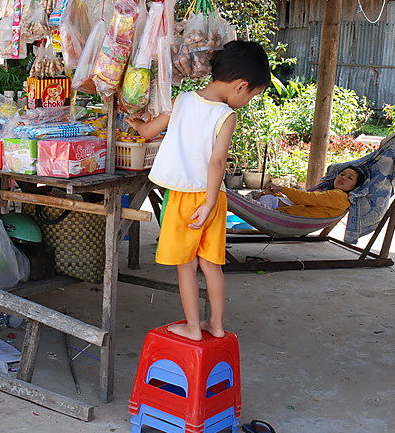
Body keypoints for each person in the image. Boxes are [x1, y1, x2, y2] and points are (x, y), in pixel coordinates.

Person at [127, 40, 271, 341]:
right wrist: (208, 203)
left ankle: (193, 327)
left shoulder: (182, 101)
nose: (249, 100)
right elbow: (217, 162)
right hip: (212, 198)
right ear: (241, 86)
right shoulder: (226, 116)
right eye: (254, 95)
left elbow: (148, 132)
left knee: (186, 265)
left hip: (182, 197)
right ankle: (216, 325)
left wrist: (135, 119)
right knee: (211, 264)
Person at [253, 166, 366, 218]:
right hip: (280, 206)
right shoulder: (331, 194)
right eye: (342, 174)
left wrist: (281, 189)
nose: (343, 178)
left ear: (355, 186)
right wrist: (274, 193)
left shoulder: (339, 196)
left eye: (350, 178)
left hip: (278, 212)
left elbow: (308, 198)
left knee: (257, 203)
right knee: (261, 198)